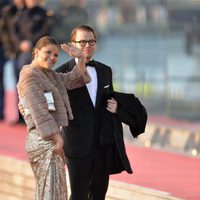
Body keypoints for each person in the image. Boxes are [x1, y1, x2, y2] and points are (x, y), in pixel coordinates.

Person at [56, 25, 147, 200]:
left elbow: (107, 100)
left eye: (91, 41)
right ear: (72, 45)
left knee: (99, 194)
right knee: (79, 195)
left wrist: (118, 108)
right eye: (82, 42)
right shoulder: (61, 73)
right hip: (76, 145)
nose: (87, 45)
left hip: (102, 144)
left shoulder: (105, 71)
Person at [17, 36, 91, 199]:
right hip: (42, 138)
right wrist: (57, 137)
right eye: (48, 52)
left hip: (51, 138)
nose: (53, 58)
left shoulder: (49, 75)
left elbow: (74, 80)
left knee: (56, 191)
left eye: (56, 55)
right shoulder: (29, 75)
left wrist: (80, 57)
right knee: (49, 192)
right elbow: (39, 109)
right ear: (36, 52)